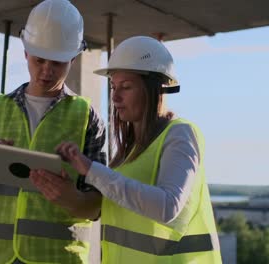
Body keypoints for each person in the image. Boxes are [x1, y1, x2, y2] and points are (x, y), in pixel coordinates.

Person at [33, 36, 222, 263]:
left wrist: (93, 171)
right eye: (113, 87)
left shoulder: (180, 135)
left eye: (126, 87)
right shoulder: (128, 152)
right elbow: (120, 202)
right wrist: (70, 190)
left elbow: (167, 206)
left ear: (155, 89)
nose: (115, 97)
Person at [0, 0, 106, 263]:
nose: (46, 70)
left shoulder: (87, 117)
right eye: (39, 60)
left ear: (72, 58)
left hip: (56, 258)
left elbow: (96, 206)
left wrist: (71, 197)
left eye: (57, 62)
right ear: (25, 53)